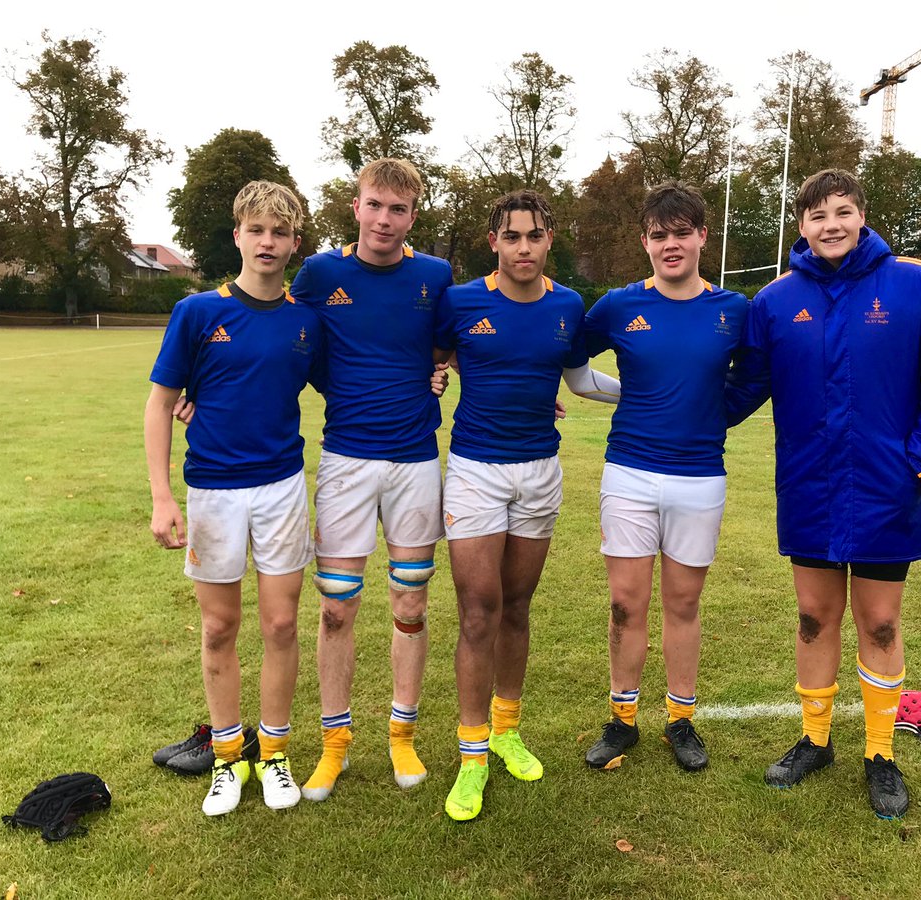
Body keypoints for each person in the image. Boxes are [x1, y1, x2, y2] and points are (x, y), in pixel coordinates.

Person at [727, 168, 921, 819]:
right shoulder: (776, 301)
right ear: (801, 226)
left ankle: (879, 754)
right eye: (817, 215)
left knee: (881, 621)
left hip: (883, 492)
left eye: (842, 211)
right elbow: (738, 388)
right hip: (809, 490)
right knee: (814, 618)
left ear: (860, 216)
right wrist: (657, 402)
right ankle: (815, 741)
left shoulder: (915, 283)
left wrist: (918, 461)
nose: (830, 224)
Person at [432, 190, 620, 821]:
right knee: (477, 610)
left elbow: (581, 381)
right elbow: (425, 360)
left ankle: (508, 728)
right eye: (511, 236)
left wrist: (658, 391)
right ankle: (472, 753)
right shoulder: (459, 300)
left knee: (516, 606)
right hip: (475, 473)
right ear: (494, 241)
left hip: (540, 472)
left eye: (534, 236)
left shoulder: (568, 305)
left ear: (548, 240)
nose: (523, 248)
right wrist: (436, 372)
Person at [144, 181, 319, 816]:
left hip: (281, 488)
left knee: (279, 623)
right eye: (257, 230)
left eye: (280, 232)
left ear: (294, 242)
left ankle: (273, 754)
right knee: (219, 626)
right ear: (238, 235)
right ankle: (225, 757)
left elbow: (353, 378)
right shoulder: (197, 312)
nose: (268, 241)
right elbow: (163, 402)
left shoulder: (306, 320)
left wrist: (438, 370)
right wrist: (164, 497)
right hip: (213, 489)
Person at [288, 158, 454, 802]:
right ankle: (334, 745)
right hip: (346, 461)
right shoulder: (321, 273)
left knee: (410, 603)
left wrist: (445, 371)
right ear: (354, 206)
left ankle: (401, 735)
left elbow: (453, 342)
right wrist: (203, 391)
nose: (385, 220)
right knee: (336, 606)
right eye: (375, 205)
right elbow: (281, 336)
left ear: (413, 216)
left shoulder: (434, 275)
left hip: (415, 461)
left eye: (399, 209)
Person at [582, 182, 749, 773]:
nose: (671, 245)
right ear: (645, 242)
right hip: (628, 473)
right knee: (626, 604)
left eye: (682, 233)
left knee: (683, 602)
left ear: (703, 236)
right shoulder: (618, 306)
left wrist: (711, 412)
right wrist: (618, 395)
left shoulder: (734, 310)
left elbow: (756, 379)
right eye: (659, 236)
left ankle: (680, 719)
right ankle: (622, 719)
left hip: (700, 478)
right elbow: (572, 364)